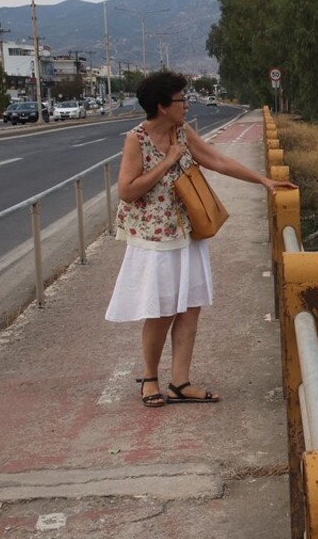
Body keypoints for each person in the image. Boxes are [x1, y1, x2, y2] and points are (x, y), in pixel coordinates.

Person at [105, 70, 295, 407]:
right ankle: (150, 379)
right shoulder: (137, 139)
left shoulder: (182, 132)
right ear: (163, 106)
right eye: (181, 100)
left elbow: (216, 160)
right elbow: (127, 190)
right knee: (160, 310)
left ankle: (180, 381)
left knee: (190, 307)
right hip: (155, 239)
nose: (187, 106)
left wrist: (263, 181)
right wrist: (167, 162)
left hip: (188, 231)